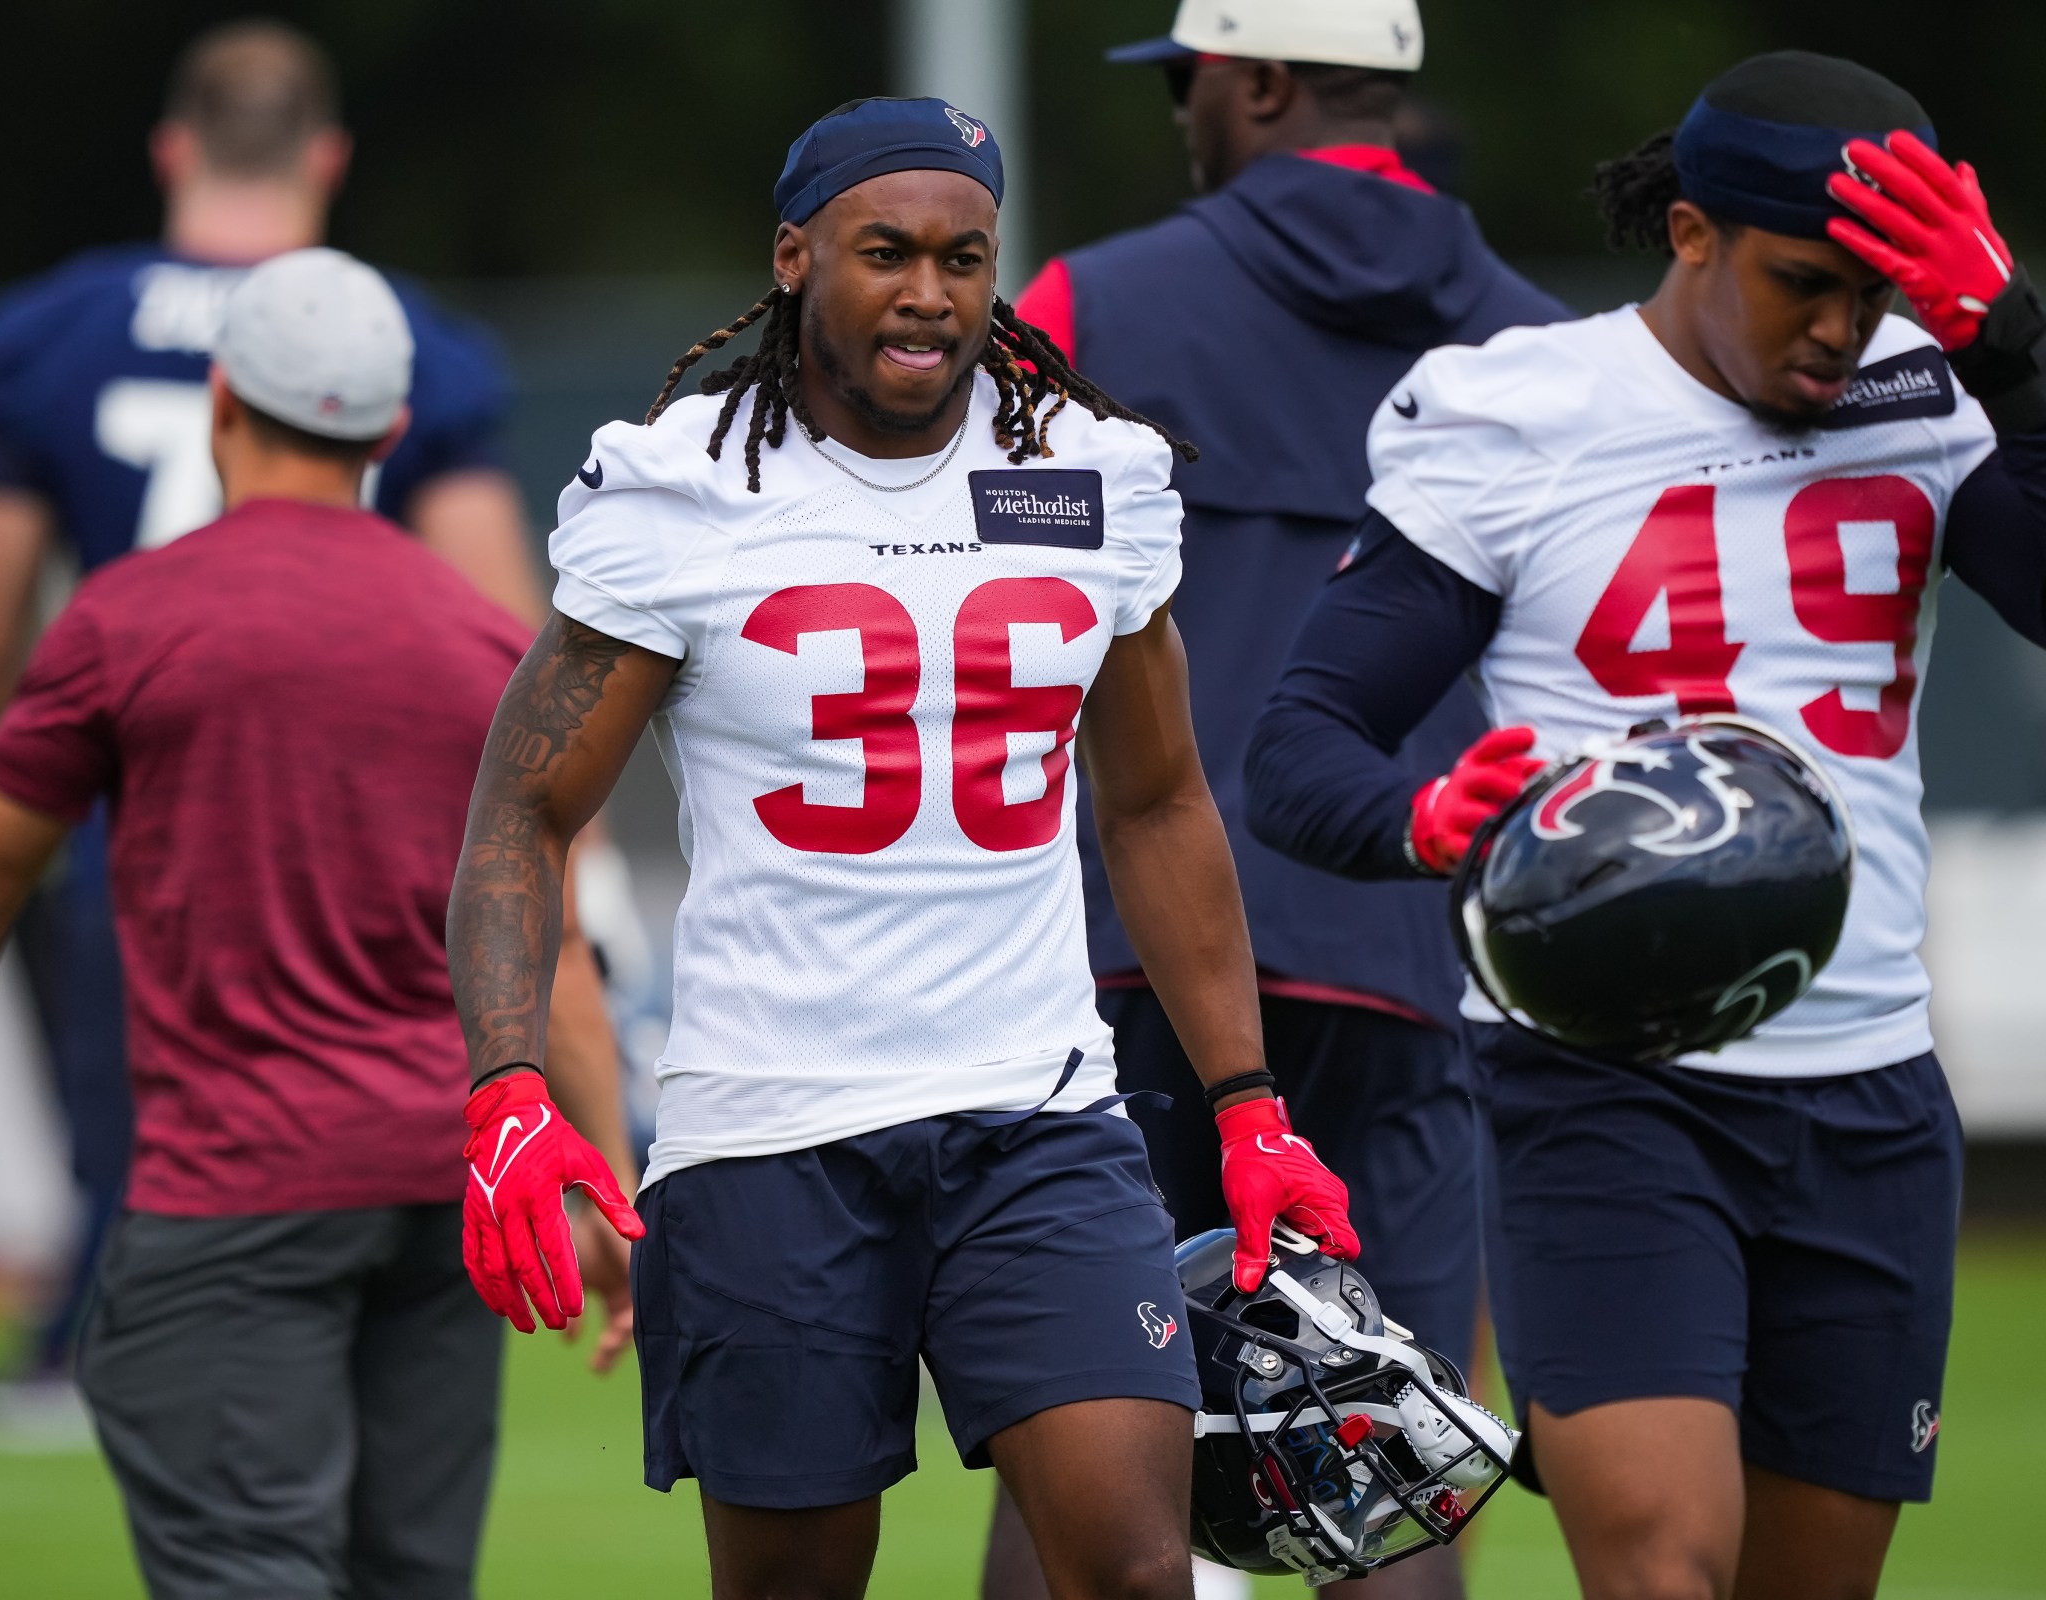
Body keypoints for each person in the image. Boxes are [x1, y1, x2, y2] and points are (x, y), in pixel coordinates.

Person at [441, 97, 1360, 1600]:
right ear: (797, 256)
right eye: (885, 252)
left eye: (964, 256)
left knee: (1142, 1573)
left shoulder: (1090, 476)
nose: (928, 292)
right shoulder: (685, 488)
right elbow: (523, 810)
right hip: (770, 1138)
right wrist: (507, 1091)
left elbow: (1156, 802)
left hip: (1039, 1120)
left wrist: (1249, 1106)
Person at [1244, 51, 2046, 1599]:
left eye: (1876, 293)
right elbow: (1298, 748)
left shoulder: (1937, 395)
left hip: (1869, 1090)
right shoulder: (1524, 409)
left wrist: (2012, 349)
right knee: (1665, 1568)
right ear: (1690, 234)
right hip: (1603, 1089)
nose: (1838, 329)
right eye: (1802, 282)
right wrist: (1426, 817)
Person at [0, 248, 632, 1600]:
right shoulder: (482, 642)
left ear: (223, 397)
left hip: (233, 1196)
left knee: (246, 1575)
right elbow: (551, 944)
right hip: (432, 1200)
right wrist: (602, 1171)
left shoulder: (126, 620)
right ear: (393, 434)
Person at [996, 6, 1562, 1591]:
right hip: (1410, 945)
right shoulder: (1538, 350)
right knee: (1390, 1455)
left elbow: (992, 603)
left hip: (1123, 959)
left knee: (1079, 1451)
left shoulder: (1090, 304)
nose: (1183, 116)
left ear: (1251, 82)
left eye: (1188, 84)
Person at [0, 19, 532, 1445]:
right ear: (328, 158)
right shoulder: (408, 343)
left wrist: (59, 779)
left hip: (139, 788)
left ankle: (115, 1357)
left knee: (145, 1125)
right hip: (368, 810)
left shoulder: (47, 334)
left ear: (171, 150)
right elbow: (511, 639)